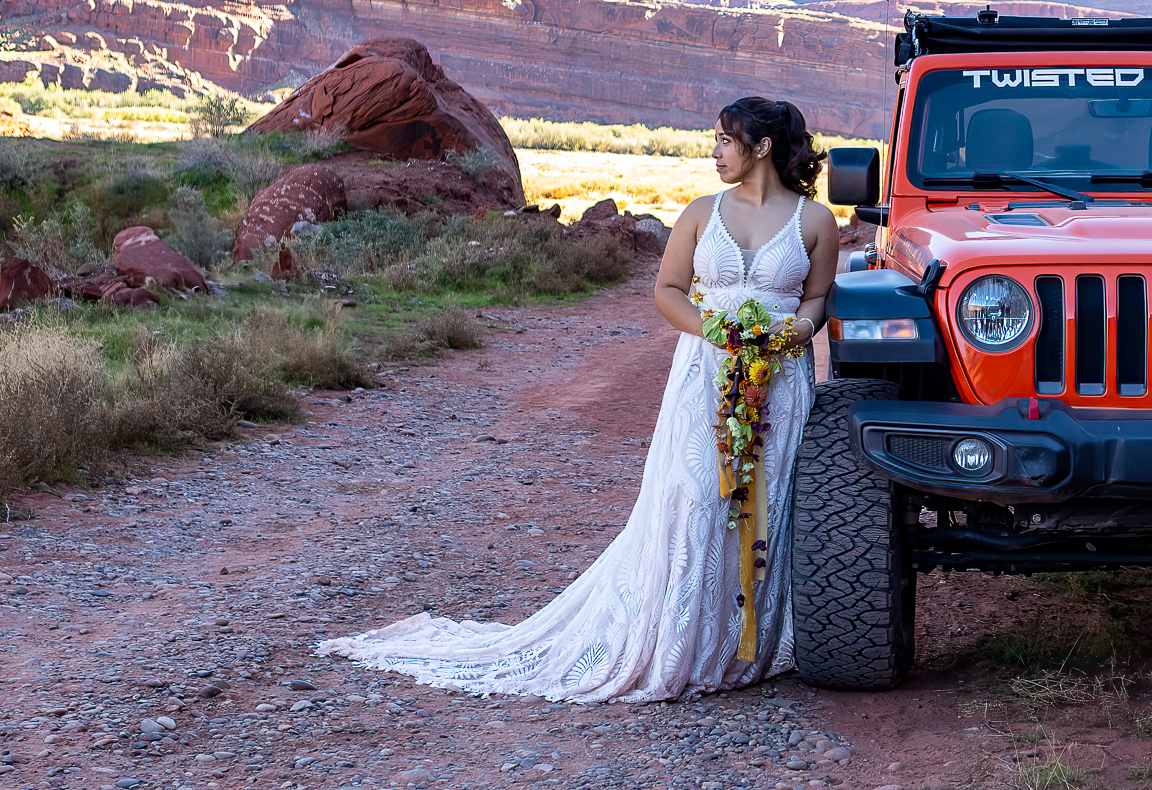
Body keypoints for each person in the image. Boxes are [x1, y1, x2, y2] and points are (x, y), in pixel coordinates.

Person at [319, 97, 840, 703]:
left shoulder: (815, 221)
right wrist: (717, 333)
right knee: (697, 495)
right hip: (706, 371)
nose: (715, 151)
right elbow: (668, 291)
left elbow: (816, 302)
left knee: (770, 498)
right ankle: (685, 639)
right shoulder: (702, 214)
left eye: (725, 140)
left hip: (778, 376)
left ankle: (756, 641)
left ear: (762, 146)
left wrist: (790, 334)